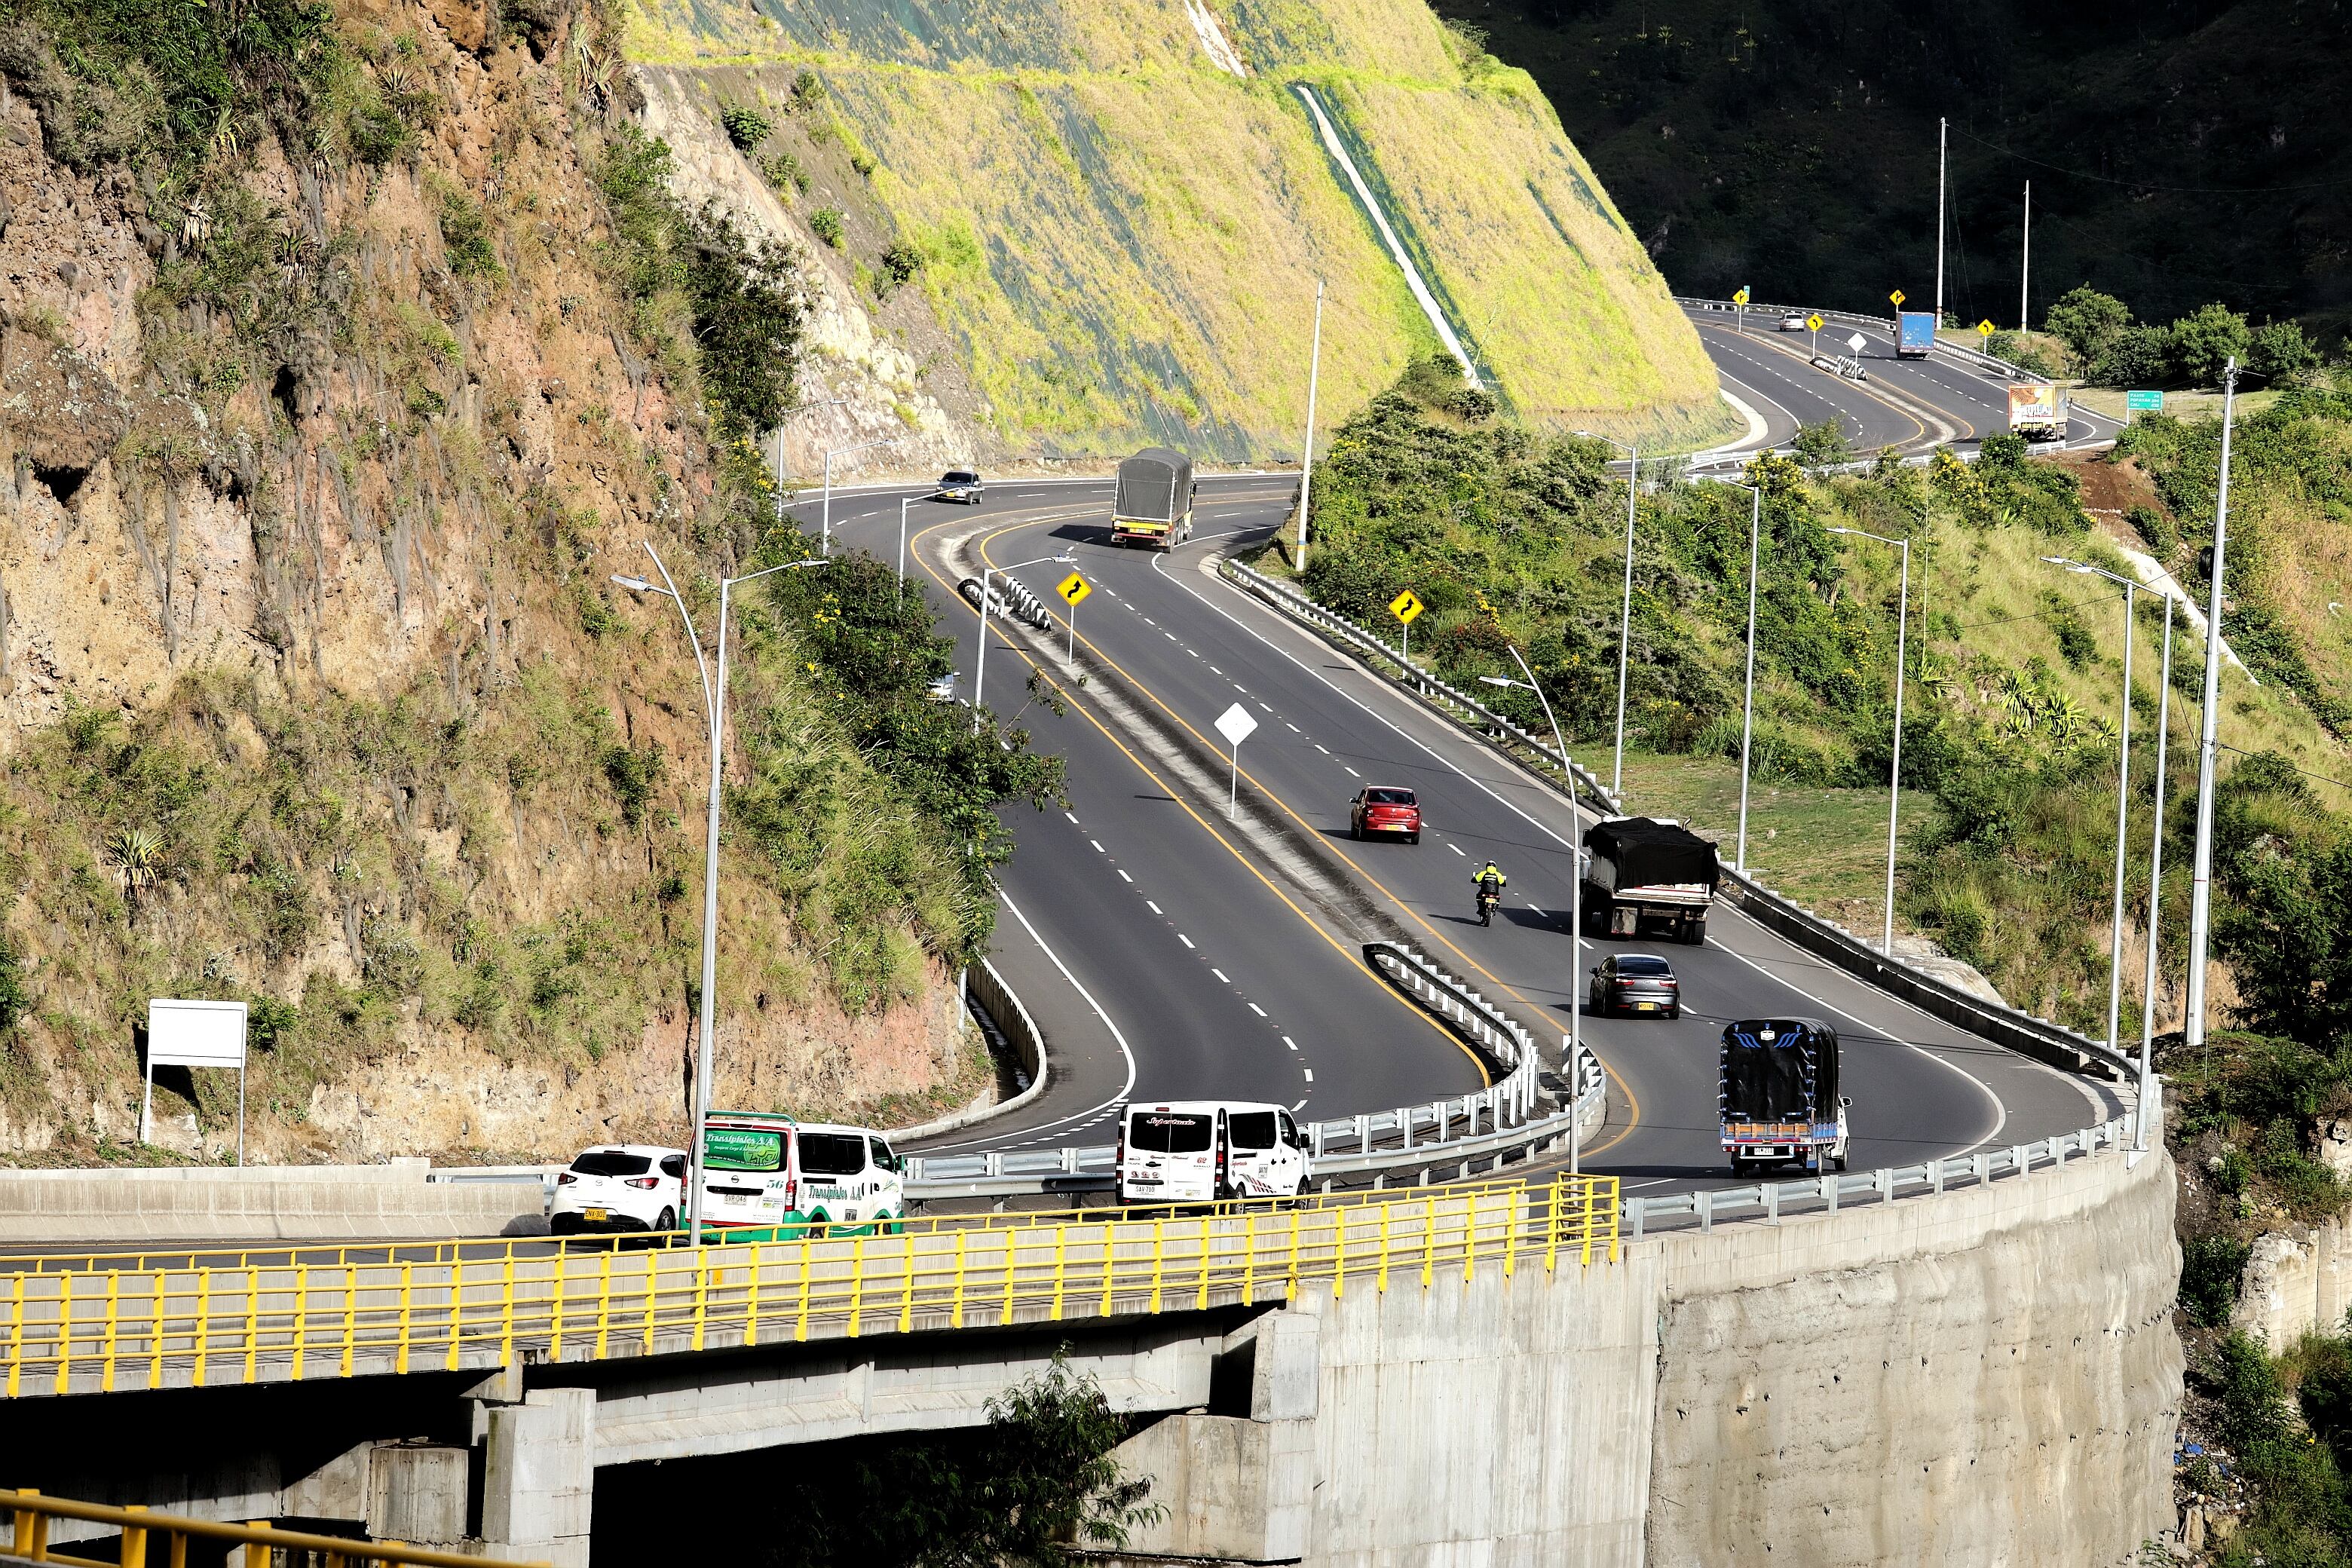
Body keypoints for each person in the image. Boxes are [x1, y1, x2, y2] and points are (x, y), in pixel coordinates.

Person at [1472, 859, 1505, 924]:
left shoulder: (1483, 873)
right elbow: (1503, 883)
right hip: (1495, 893)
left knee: (1478, 897)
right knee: (1497, 899)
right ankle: (1494, 910)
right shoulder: (1498, 874)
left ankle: (1481, 909)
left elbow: (1475, 880)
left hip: (1484, 892)